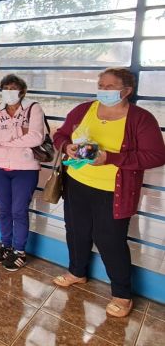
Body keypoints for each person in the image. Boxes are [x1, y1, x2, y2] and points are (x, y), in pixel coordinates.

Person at [53, 68, 165, 318]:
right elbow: (60, 135)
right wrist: (67, 146)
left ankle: (122, 294)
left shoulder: (140, 118)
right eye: (101, 85)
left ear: (127, 91)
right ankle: (76, 272)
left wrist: (110, 158)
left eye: (110, 86)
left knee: (110, 241)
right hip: (77, 183)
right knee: (76, 230)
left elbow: (157, 155)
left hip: (113, 191)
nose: (103, 90)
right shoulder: (85, 110)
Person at [0, 74, 45, 271]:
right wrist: (19, 132)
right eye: (5, 88)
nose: (9, 92)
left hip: (25, 168)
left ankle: (19, 251)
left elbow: (36, 137)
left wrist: (3, 139)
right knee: (4, 209)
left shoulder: (33, 108)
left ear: (22, 91)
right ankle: (6, 246)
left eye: (13, 88)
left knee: (18, 211)